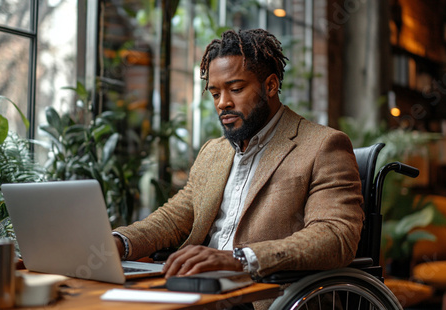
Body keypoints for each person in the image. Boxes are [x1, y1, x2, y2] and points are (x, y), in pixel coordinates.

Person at [113, 29, 364, 288]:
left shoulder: (323, 146)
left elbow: (336, 237)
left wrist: (240, 259)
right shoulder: (213, 152)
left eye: (235, 89)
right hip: (197, 286)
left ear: (270, 85)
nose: (223, 103)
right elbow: (173, 219)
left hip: (261, 294)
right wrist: (119, 242)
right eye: (215, 94)